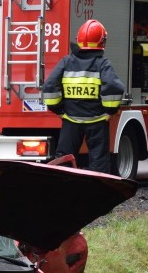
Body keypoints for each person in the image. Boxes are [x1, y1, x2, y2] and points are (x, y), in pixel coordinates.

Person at [41, 19, 125, 174]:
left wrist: (59, 110)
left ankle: (62, 190)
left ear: (78, 40)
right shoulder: (102, 63)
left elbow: (49, 86)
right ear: (102, 42)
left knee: (64, 160)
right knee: (99, 162)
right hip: (97, 121)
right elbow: (114, 87)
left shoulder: (66, 62)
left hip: (71, 121)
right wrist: (109, 111)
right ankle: (98, 192)